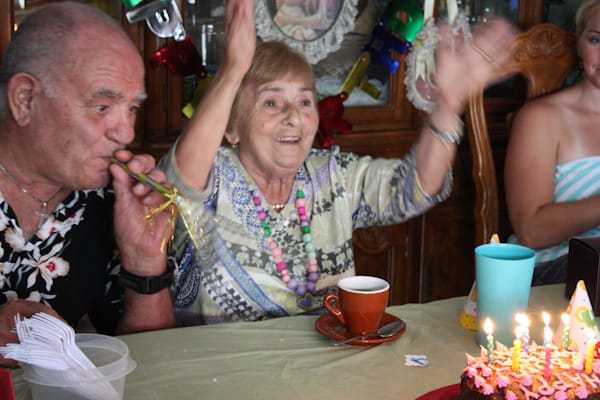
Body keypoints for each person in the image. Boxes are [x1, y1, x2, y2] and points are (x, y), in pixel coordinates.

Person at [160, 0, 518, 325]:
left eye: (304, 102)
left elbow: (414, 190)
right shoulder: (215, 176)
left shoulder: (331, 175)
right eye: (271, 103)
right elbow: (179, 181)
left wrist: (448, 105)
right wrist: (235, 67)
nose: (293, 117)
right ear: (232, 128)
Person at [0, 2, 175, 367]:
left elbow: (150, 366)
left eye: (132, 109)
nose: (126, 133)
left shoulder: (104, 201)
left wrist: (145, 262)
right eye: (102, 107)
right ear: (25, 99)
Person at [504, 0, 600, 286]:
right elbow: (531, 230)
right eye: (596, 39)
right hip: (552, 269)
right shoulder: (541, 118)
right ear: (579, 45)